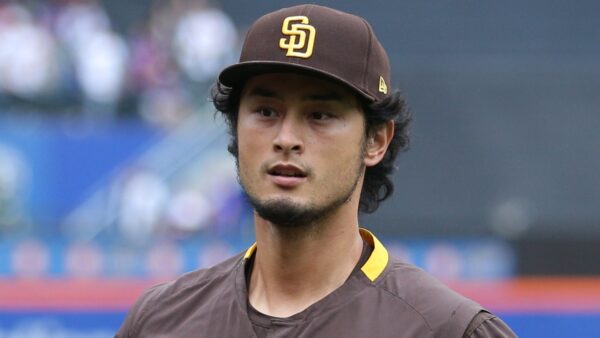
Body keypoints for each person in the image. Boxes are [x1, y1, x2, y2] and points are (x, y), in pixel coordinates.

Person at [116, 4, 517, 337]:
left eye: (320, 114)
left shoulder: (447, 330)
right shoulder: (160, 321)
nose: (286, 138)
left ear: (376, 140)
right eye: (266, 111)